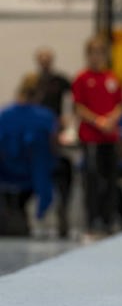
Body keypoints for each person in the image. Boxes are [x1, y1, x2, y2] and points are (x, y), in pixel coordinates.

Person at [72, 34, 122, 239]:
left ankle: (109, 219)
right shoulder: (82, 79)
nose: (97, 57)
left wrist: (111, 120)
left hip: (109, 137)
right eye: (93, 53)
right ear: (88, 55)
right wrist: (98, 121)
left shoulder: (112, 78)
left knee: (111, 180)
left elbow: (120, 105)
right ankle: (92, 222)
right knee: (92, 180)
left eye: (100, 53)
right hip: (91, 136)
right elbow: (78, 107)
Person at [0, 74, 57, 236]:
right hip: (36, 175)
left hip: (7, 172)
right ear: (40, 94)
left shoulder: (4, 115)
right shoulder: (46, 117)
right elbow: (53, 148)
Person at [32, 46, 73, 238]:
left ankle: (62, 211)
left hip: (54, 134)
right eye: (42, 59)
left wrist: (66, 119)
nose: (45, 62)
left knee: (64, 170)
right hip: (36, 138)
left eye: (48, 58)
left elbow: (72, 100)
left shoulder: (61, 81)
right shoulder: (33, 82)